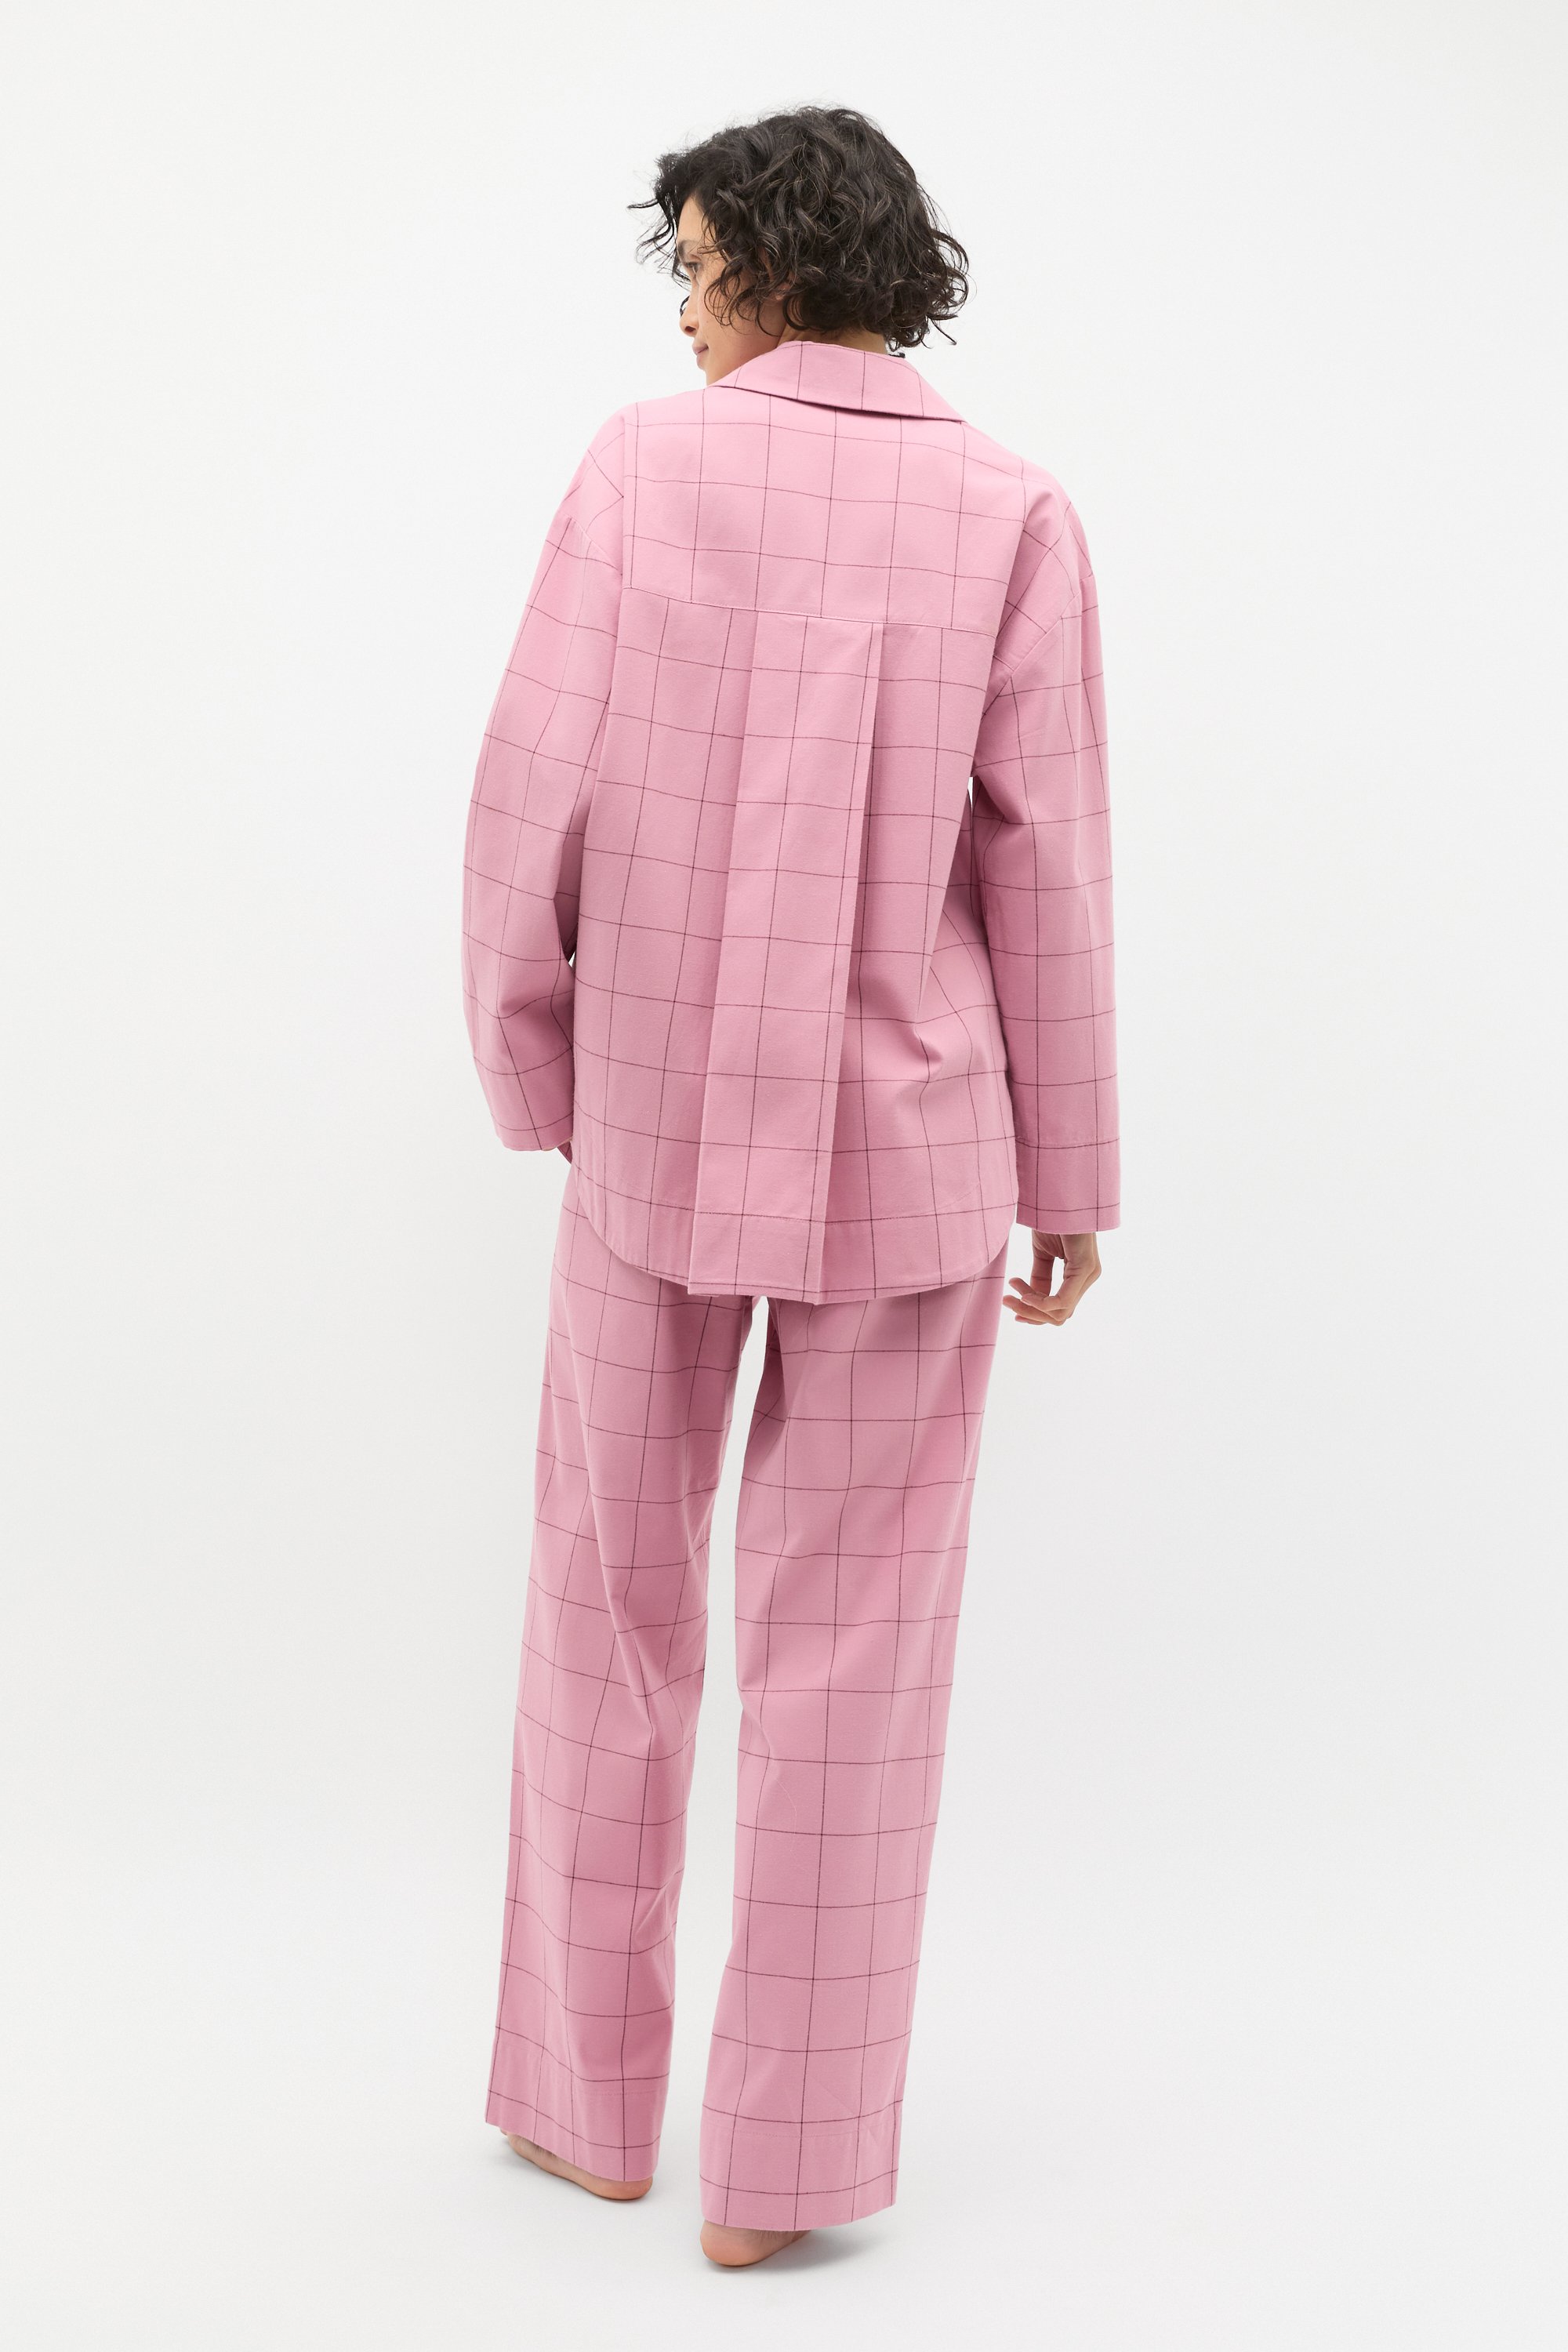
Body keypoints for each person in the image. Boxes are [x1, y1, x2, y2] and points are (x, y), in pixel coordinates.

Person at [460, 103, 1119, 2269]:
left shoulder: (647, 467)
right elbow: (1048, 862)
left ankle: (586, 2113)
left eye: (695, 260)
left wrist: (533, 1055)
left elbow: (531, 786)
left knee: (605, 1616)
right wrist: (1071, 1167)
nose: (682, 301)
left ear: (767, 255)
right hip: (919, 1152)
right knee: (859, 1665)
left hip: (652, 1125)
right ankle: (790, 2179)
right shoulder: (1014, 508)